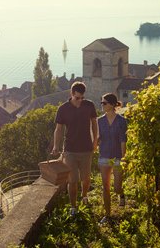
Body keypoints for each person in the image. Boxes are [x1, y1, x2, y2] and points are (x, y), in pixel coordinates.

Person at [51, 81, 98, 216]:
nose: (79, 101)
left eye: (82, 98)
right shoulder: (63, 109)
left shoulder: (89, 105)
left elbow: (94, 124)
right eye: (77, 98)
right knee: (72, 180)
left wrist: (95, 140)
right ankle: (73, 206)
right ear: (71, 94)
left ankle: (84, 196)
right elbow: (58, 129)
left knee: (86, 178)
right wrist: (56, 145)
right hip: (70, 150)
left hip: (86, 148)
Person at [97, 93, 127, 224]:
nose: (102, 105)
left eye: (104, 103)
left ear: (112, 104)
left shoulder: (121, 121)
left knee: (116, 187)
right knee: (106, 187)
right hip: (104, 156)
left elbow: (123, 140)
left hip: (117, 157)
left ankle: (121, 193)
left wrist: (122, 157)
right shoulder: (99, 121)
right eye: (101, 103)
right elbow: (97, 139)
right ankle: (107, 214)